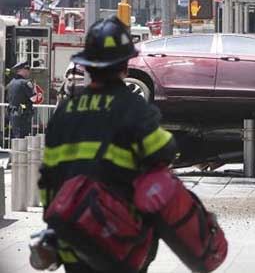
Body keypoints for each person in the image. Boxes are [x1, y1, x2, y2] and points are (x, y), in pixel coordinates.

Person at [38, 17, 177, 272]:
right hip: (122, 242)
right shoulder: (135, 109)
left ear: (89, 66)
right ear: (125, 66)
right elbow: (165, 152)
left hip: (73, 239)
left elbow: (48, 178)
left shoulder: (64, 113)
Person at [7, 61, 36, 138]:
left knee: (16, 137)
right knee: (23, 138)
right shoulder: (25, 83)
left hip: (13, 113)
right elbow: (34, 99)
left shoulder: (11, 83)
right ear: (22, 70)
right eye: (27, 69)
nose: (29, 71)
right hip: (24, 115)